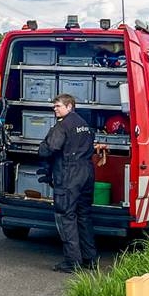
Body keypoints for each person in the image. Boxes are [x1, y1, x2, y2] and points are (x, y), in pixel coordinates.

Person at [38, 93, 98, 273]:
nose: (54, 109)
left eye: (58, 106)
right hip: (86, 172)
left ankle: (73, 262)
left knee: (67, 216)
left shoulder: (62, 125)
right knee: (84, 216)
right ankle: (90, 258)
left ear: (69, 106)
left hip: (69, 174)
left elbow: (50, 148)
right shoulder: (83, 124)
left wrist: (42, 147)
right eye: (54, 106)